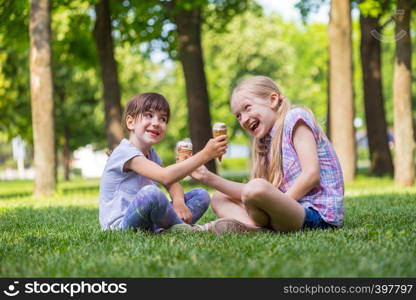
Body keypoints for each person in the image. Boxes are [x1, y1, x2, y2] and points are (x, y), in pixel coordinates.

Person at [191, 76, 344, 234]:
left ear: (272, 100)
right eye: (238, 116)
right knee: (219, 198)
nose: (243, 119)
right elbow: (255, 193)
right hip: (288, 213)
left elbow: (312, 175)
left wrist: (276, 204)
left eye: (247, 108)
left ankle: (257, 226)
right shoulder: (265, 143)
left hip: (317, 216)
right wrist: (206, 177)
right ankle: (259, 230)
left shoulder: (295, 118)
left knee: (256, 187)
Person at [99, 92, 227, 233]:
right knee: (151, 193)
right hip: (122, 226)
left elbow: (171, 183)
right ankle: (184, 229)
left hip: (148, 223)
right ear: (131, 122)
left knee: (201, 195)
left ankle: (171, 229)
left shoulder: (151, 154)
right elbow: (164, 176)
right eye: (149, 115)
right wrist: (206, 154)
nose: (156, 123)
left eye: (163, 119)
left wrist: (178, 201)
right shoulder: (125, 152)